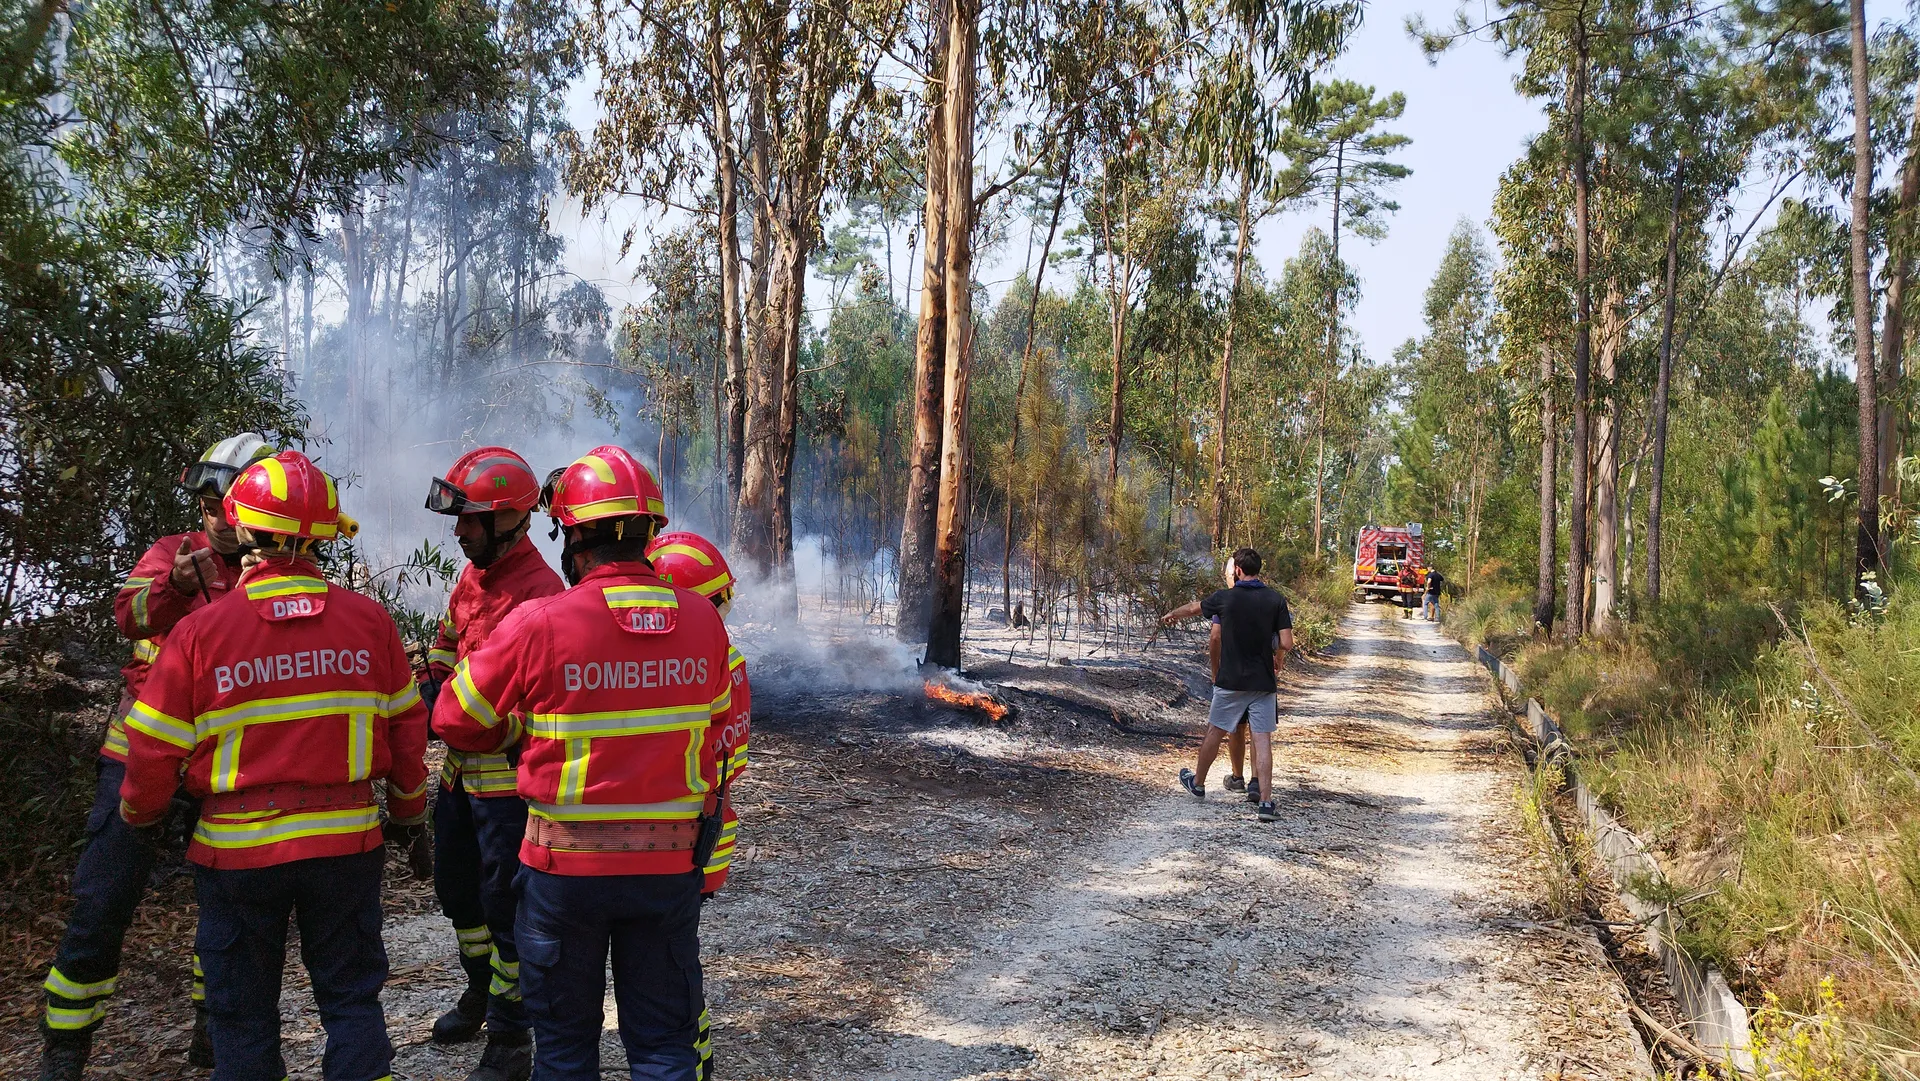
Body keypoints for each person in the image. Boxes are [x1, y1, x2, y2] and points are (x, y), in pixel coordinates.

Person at [118, 449, 430, 1081]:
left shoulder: (202, 634)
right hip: (344, 848)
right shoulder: (370, 623)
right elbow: (406, 734)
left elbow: (153, 749)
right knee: (349, 1000)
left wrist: (138, 816)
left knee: (243, 1015)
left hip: (238, 857)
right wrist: (408, 816)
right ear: (323, 536)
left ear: (243, 527)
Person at [434, 445, 734, 1081]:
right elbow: (715, 733)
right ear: (651, 534)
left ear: (572, 537)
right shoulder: (705, 622)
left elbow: (453, 718)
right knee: (663, 1049)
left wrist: (520, 723)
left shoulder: (541, 621)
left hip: (564, 874)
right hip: (667, 870)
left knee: (567, 1053)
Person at [36, 432, 272, 1081]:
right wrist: (172, 585)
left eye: (227, 504)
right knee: (102, 897)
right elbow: (127, 614)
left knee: (228, 904)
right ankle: (65, 1048)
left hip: (224, 769)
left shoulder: (272, 574)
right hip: (136, 758)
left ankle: (212, 1028)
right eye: (206, 505)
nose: (215, 519)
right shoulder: (173, 554)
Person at [418, 447, 562, 1081]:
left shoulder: (543, 594)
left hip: (508, 791)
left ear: (507, 521)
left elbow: (543, 702)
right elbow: (450, 650)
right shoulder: (472, 580)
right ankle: (481, 992)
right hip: (457, 779)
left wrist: (482, 726)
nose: (458, 531)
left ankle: (510, 1038)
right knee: (459, 897)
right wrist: (428, 685)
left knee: (506, 911)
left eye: (469, 520)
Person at [647, 530, 749, 1081]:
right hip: (700, 839)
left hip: (686, 842)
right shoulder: (722, 658)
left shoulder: (711, 663)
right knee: (673, 965)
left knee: (669, 971)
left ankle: (694, 1060)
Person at [1160, 547, 1295, 822]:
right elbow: (1286, 642)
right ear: (1258, 570)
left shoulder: (1225, 598)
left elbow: (1194, 608)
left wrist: (1173, 613)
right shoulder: (1275, 600)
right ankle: (1266, 804)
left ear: (1237, 570)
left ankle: (1197, 784)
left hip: (1231, 680)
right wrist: (1278, 659)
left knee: (1214, 732)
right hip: (1263, 683)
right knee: (1262, 739)